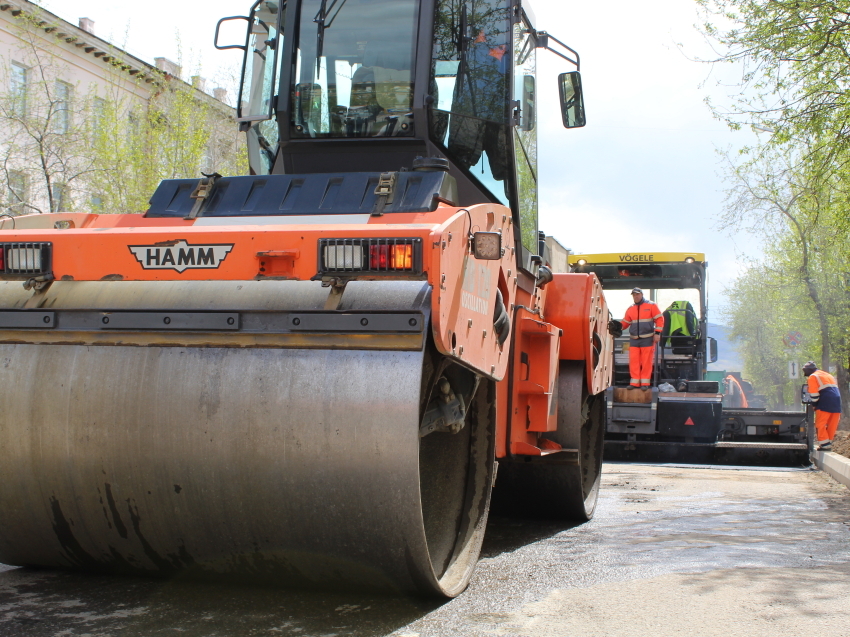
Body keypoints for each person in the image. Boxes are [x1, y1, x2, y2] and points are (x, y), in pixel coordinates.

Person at [617, 288, 664, 388]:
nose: (636, 296)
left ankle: (645, 383)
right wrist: (618, 327)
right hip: (634, 339)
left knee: (646, 362)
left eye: (637, 294)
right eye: (634, 295)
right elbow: (625, 322)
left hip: (648, 338)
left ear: (642, 294)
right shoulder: (631, 308)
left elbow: (660, 319)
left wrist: (657, 333)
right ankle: (634, 383)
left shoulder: (651, 305)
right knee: (634, 362)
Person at [803, 361, 842, 451]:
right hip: (837, 401)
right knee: (832, 423)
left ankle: (824, 444)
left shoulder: (813, 377)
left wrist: (815, 404)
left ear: (809, 370)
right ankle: (828, 443)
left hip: (825, 401)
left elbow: (814, 394)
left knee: (820, 423)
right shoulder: (827, 375)